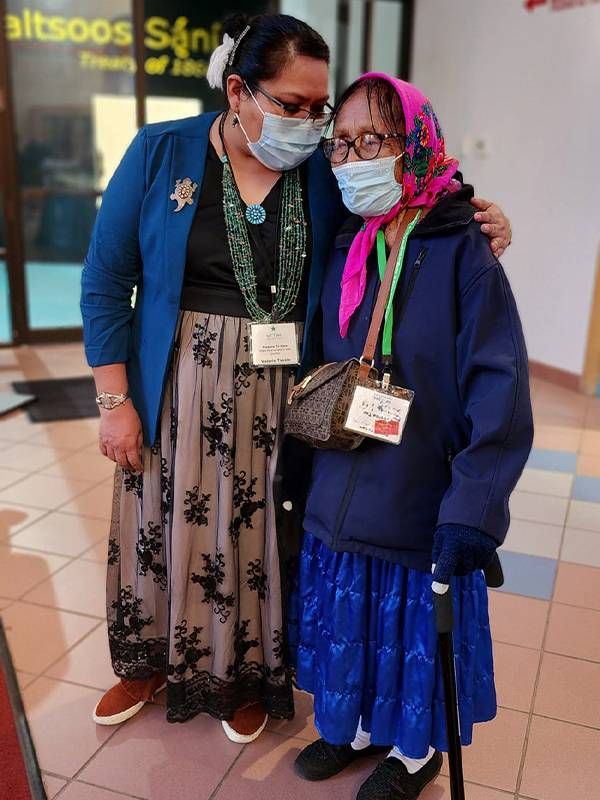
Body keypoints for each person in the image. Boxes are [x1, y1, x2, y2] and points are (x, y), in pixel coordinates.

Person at [80, 12, 511, 744]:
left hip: (283, 390)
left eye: (320, 108)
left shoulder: (321, 171)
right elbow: (105, 279)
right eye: (293, 106)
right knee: (163, 522)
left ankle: (243, 673)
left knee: (255, 534)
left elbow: (402, 209)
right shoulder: (162, 151)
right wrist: (115, 400)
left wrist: (478, 218)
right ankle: (152, 660)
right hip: (176, 386)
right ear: (240, 91)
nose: (312, 123)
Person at [288, 73, 533, 800]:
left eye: (376, 140)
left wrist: (474, 512)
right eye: (344, 142)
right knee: (351, 617)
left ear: (416, 145)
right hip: (343, 480)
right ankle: (354, 729)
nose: (355, 156)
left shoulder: (465, 249)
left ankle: (414, 749)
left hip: (422, 492)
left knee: (413, 630)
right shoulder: (345, 244)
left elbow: (502, 386)